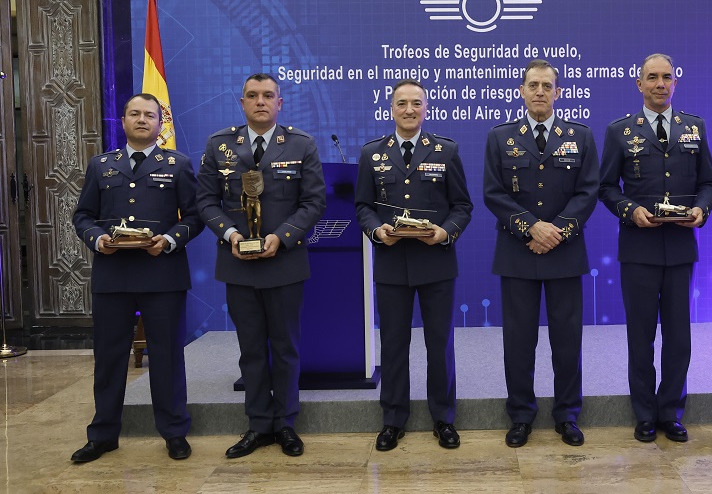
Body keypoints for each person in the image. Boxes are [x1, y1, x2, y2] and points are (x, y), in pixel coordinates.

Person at [196, 73, 326, 458]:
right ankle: (257, 425)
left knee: (285, 347)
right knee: (251, 349)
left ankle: (286, 424)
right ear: (242, 103)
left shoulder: (302, 144)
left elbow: (313, 202)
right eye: (252, 96)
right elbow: (205, 201)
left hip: (284, 262)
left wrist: (281, 236)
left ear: (280, 103)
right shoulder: (219, 145)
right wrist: (231, 235)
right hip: (237, 263)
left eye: (268, 95)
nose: (260, 102)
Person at [71, 93, 204, 462]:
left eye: (150, 114)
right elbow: (82, 216)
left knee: (167, 357)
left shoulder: (177, 165)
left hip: (163, 275)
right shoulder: (101, 166)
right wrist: (97, 239)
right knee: (109, 358)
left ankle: (174, 432)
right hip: (112, 277)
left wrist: (170, 240)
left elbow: (194, 217)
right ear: (124, 121)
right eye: (134, 114)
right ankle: (103, 434)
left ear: (161, 124)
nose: (142, 119)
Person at [598, 53, 712, 444]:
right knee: (641, 336)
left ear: (675, 83)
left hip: (681, 248)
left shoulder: (693, 127)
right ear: (639, 84)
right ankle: (645, 413)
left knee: (679, 337)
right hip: (639, 249)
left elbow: (709, 183)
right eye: (652, 78)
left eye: (666, 77)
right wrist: (629, 210)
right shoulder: (620, 131)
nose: (660, 84)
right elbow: (607, 187)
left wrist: (701, 209)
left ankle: (671, 411)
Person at [482, 59, 599, 448]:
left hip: (564, 253)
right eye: (533, 85)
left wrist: (557, 231)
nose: (539, 92)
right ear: (521, 90)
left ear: (558, 92)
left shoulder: (579, 136)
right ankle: (520, 416)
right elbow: (493, 193)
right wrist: (530, 227)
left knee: (567, 341)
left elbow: (588, 192)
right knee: (518, 341)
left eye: (547, 86)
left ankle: (567, 415)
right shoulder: (500, 137)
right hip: (518, 252)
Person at [355, 79, 473, 451]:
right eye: (402, 103)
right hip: (391, 263)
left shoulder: (446, 150)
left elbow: (462, 207)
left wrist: (445, 232)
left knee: (440, 345)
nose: (409, 109)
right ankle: (393, 419)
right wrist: (377, 231)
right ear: (391, 108)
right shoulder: (372, 153)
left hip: (436, 263)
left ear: (426, 108)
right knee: (393, 345)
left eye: (416, 103)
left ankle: (444, 419)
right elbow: (363, 206)